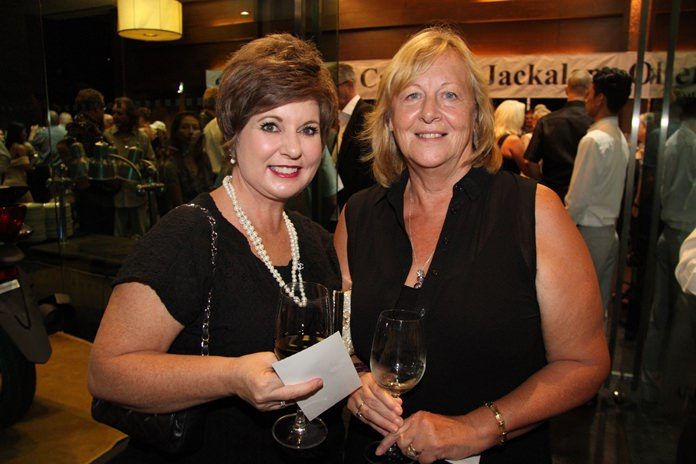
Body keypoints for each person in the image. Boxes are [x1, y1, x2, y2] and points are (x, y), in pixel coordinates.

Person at [335, 27, 609, 463]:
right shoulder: (357, 216)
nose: (429, 113)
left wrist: (475, 429)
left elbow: (584, 364)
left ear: (478, 115)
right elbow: (339, 339)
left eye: (449, 95)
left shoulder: (534, 212)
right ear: (388, 119)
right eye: (411, 96)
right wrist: (353, 382)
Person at [88, 33, 342, 463]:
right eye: (270, 125)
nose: (294, 148)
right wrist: (232, 376)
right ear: (232, 133)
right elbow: (107, 372)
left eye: (309, 129)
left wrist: (356, 383)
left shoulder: (314, 240)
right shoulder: (188, 234)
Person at [565, 67, 633, 313]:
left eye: (590, 93)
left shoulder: (594, 140)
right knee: (600, 304)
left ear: (600, 98)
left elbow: (578, 198)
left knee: (580, 305)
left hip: (589, 233)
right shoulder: (619, 138)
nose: (586, 99)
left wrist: (564, 231)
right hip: (608, 232)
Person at [523, 70, 593, 201]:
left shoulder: (547, 121)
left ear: (566, 90)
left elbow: (531, 161)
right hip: (585, 196)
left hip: (553, 193)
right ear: (590, 91)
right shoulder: (595, 122)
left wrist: (543, 185)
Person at [105, 97, 156, 237]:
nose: (115, 116)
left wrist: (143, 167)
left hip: (136, 195)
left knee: (141, 235)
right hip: (116, 197)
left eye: (120, 113)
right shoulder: (107, 136)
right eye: (114, 113)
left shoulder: (141, 137)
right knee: (118, 237)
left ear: (130, 115)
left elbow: (152, 161)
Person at [331, 62, 374, 209]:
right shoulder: (343, 118)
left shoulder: (366, 116)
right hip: (346, 204)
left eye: (332, 88)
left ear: (348, 85)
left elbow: (369, 171)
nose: (329, 94)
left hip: (362, 205)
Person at [160, 111, 215, 214]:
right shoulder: (171, 164)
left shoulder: (203, 158)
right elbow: (177, 203)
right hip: (185, 216)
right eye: (185, 127)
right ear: (176, 132)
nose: (191, 132)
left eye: (195, 128)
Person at [493, 99, 526, 174]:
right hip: (508, 181)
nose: (525, 118)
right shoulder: (513, 140)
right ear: (516, 118)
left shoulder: (492, 136)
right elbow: (527, 170)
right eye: (523, 115)